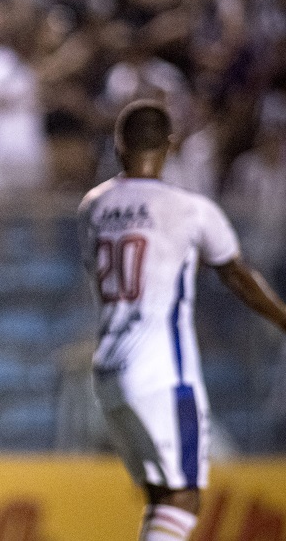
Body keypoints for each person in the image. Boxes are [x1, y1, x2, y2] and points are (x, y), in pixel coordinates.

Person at [76, 100, 286, 541]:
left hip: (109, 367)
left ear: (118, 145)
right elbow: (238, 277)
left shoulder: (93, 206)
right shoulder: (190, 209)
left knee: (159, 495)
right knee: (184, 495)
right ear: (170, 146)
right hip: (162, 370)